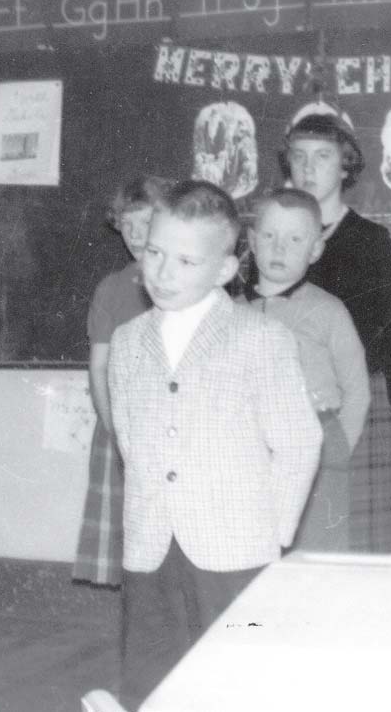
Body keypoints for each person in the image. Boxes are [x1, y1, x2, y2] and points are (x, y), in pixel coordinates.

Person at [109, 179, 322, 711]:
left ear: (224, 270)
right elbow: (130, 439)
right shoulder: (128, 340)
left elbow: (298, 444)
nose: (161, 272)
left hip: (235, 550)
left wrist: (269, 538)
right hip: (151, 547)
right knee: (152, 684)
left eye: (184, 261)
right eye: (154, 253)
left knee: (236, 686)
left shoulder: (261, 339)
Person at [279, 112, 391, 552]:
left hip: (352, 407)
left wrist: (362, 397)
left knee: (352, 542)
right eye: (299, 157)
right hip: (282, 402)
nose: (308, 168)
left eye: (322, 157)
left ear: (345, 166)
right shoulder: (272, 238)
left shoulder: (371, 244)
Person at [239, 187, 370, 552]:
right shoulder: (229, 311)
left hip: (317, 441)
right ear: (251, 240)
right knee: (254, 546)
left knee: (316, 551)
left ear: (315, 250)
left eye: (295, 239)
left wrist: (335, 448)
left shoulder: (329, 311)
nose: (279, 248)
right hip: (250, 445)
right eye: (269, 236)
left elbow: (356, 391)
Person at [73, 175, 171, 586]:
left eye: (144, 223)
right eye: (125, 225)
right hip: (123, 421)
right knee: (131, 544)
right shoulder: (112, 288)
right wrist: (113, 428)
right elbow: (99, 366)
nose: (133, 235)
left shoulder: (184, 280)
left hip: (174, 422)